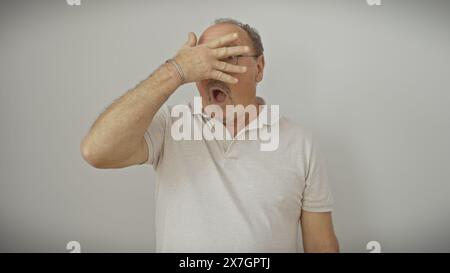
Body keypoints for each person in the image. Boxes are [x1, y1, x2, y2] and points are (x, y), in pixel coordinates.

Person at [81, 18, 339, 252]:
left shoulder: (301, 143)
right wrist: (175, 70)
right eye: (203, 61)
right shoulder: (170, 124)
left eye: (228, 58)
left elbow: (321, 245)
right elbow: (97, 151)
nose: (213, 72)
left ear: (259, 68)